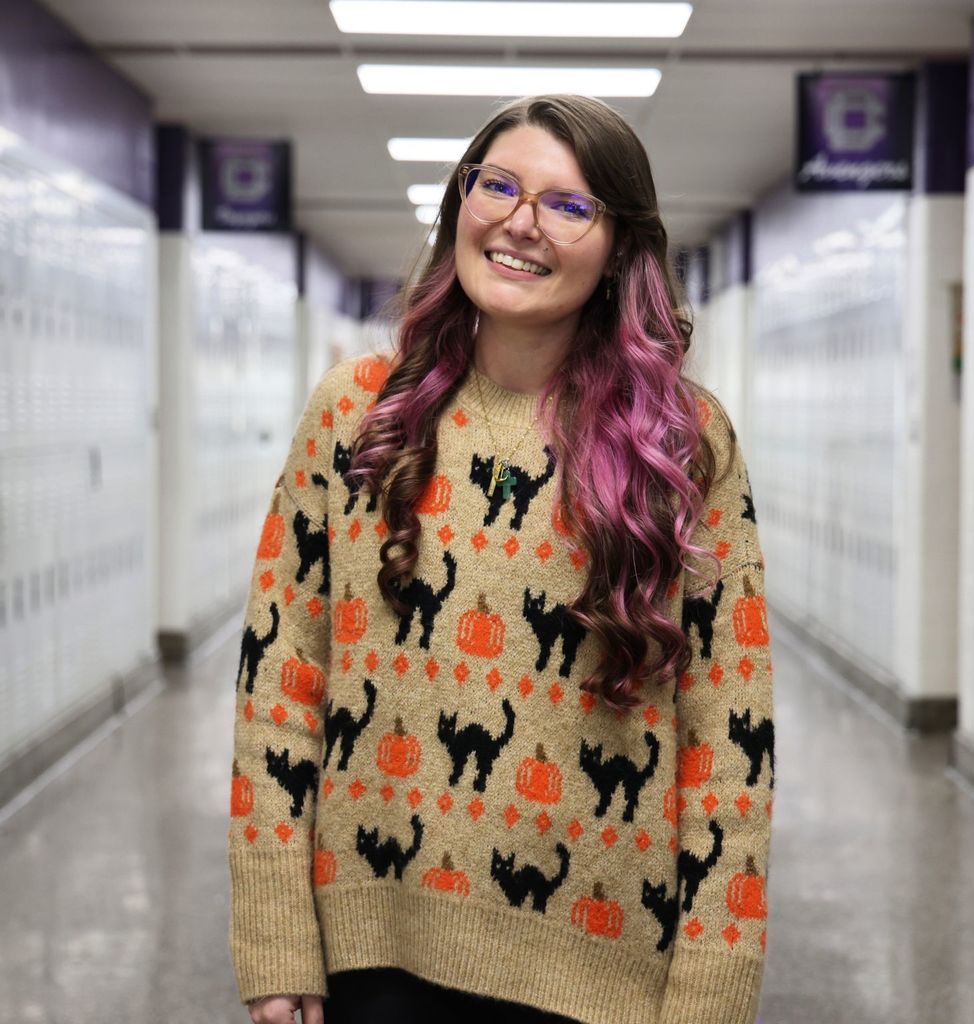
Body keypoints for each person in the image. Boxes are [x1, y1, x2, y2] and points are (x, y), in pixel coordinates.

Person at [228, 94, 776, 1024]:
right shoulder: (357, 413)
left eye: (568, 205)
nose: (521, 222)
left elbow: (731, 737)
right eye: (499, 186)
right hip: (374, 954)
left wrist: (712, 997)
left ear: (617, 250)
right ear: (459, 206)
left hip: (599, 977)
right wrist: (275, 932)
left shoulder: (681, 442)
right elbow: (280, 677)